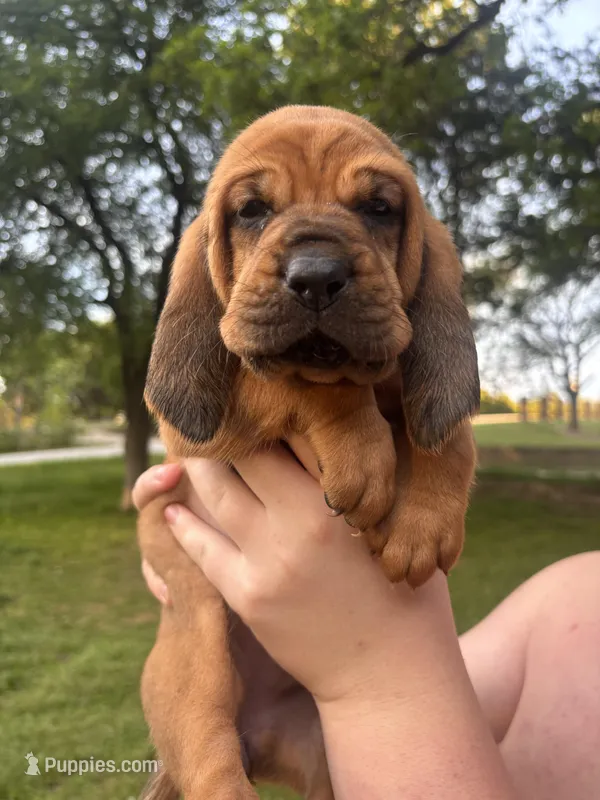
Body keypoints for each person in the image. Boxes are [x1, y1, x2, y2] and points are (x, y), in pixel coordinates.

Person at [133, 436, 600, 800]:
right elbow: (455, 694)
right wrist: (209, 541)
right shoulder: (572, 599)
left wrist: (373, 674)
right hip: (224, 680)